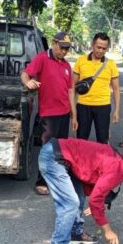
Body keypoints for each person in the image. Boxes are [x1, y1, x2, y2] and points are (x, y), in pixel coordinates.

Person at [21, 31, 77, 196]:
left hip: (64, 114)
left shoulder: (67, 66)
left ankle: (57, 180)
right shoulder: (42, 58)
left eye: (67, 49)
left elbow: (70, 91)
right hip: (49, 114)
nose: (64, 51)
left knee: (61, 150)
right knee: (48, 149)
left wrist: (74, 115)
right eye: (62, 48)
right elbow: (25, 74)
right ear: (54, 43)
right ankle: (41, 181)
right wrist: (28, 82)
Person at [73, 33, 120, 144]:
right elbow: (72, 87)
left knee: (103, 140)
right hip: (83, 106)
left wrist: (117, 110)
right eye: (98, 47)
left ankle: (102, 161)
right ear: (92, 45)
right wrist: (73, 111)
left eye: (104, 48)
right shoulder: (81, 61)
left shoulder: (111, 64)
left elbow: (116, 89)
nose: (101, 50)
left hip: (103, 106)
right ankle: (80, 161)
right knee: (81, 140)